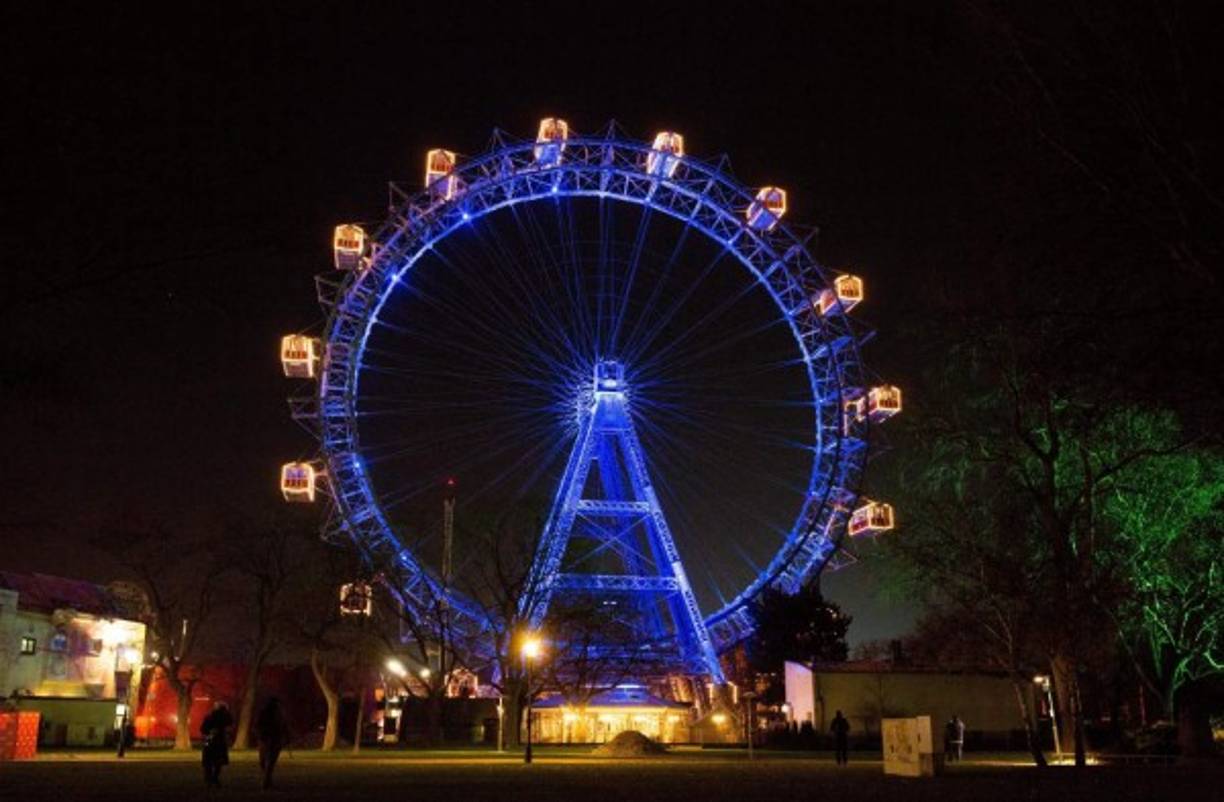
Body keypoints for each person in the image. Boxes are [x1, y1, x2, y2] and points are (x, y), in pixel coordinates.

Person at [255, 697, 291, 790]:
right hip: (270, 739)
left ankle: (266, 781)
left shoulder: (274, 713)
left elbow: (284, 725)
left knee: (266, 761)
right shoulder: (276, 713)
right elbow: (284, 725)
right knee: (269, 761)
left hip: (269, 739)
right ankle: (267, 780)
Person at [201, 701, 234, 787]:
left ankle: (209, 779)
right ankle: (214, 778)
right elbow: (230, 725)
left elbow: (203, 729)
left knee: (208, 761)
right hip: (220, 741)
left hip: (209, 740)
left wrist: (208, 732)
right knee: (218, 762)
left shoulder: (209, 717)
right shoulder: (225, 717)